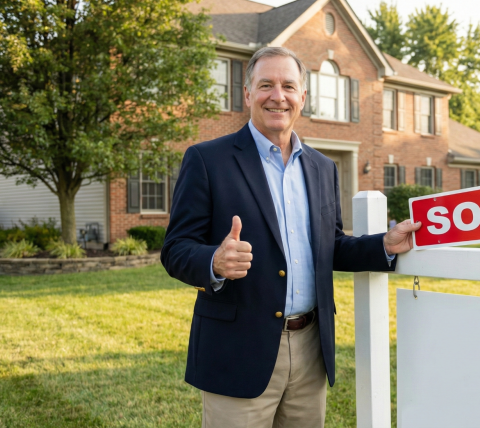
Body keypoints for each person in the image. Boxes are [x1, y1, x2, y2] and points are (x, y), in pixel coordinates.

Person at [161, 46, 421, 428]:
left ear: (303, 96)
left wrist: (382, 245)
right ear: (247, 94)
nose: (277, 96)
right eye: (265, 85)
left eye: (288, 86)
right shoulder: (207, 160)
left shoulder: (322, 167)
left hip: (310, 348)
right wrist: (213, 261)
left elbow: (331, 246)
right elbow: (175, 249)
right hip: (239, 349)